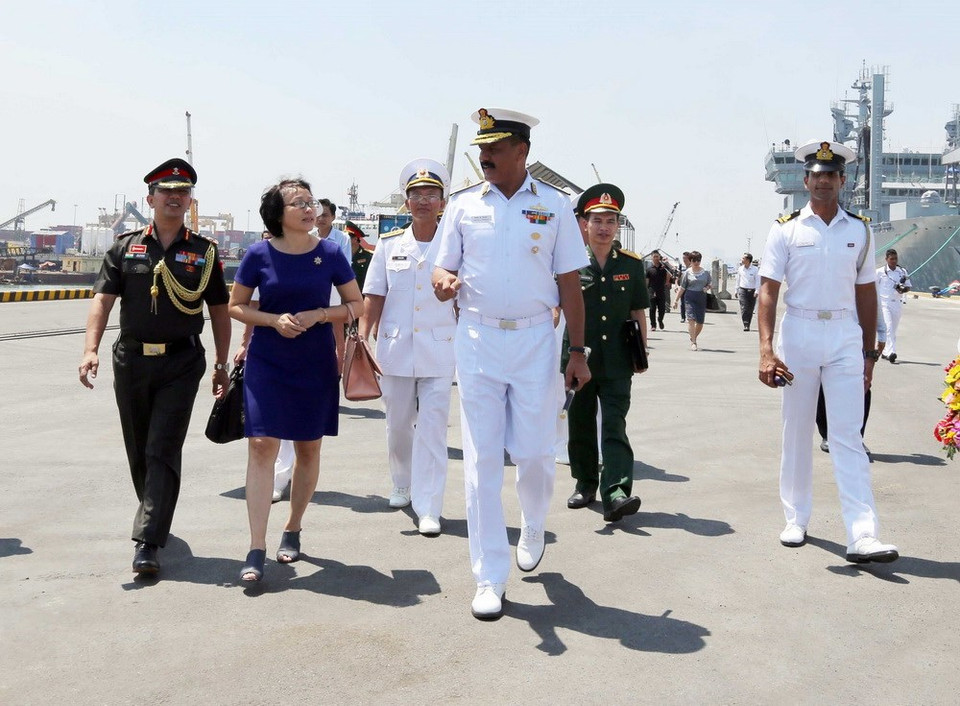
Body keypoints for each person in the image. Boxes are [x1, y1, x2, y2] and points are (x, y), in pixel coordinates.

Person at [432, 107, 590, 620]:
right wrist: (442, 282)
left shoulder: (556, 206)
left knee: (535, 453)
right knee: (479, 459)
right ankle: (489, 575)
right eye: (481, 149)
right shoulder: (462, 205)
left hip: (536, 342)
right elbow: (441, 267)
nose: (484, 157)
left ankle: (534, 521)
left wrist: (578, 352)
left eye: (494, 148)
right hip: (476, 338)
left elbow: (570, 283)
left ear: (522, 151)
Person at [78, 158, 231, 576]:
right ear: (150, 199)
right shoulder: (125, 247)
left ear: (189, 201)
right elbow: (102, 300)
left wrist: (221, 362)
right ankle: (155, 508)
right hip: (131, 360)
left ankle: (147, 541)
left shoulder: (203, 252)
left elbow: (219, 310)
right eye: (167, 192)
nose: (175, 198)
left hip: (182, 361)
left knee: (162, 446)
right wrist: (90, 349)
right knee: (139, 446)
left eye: (183, 193)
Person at [758, 138, 898, 564]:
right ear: (806, 181)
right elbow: (767, 292)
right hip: (798, 331)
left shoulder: (860, 229)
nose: (823, 183)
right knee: (796, 429)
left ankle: (862, 533)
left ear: (842, 181)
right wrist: (766, 350)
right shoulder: (785, 228)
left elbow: (866, 292)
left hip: (843, 335)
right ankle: (796, 518)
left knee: (847, 436)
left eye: (831, 176)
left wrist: (870, 353)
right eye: (816, 176)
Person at [229, 179, 363, 582]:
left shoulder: (331, 253)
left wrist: (320, 315)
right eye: (298, 203)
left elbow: (356, 304)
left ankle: (293, 526)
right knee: (261, 444)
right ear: (277, 214)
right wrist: (273, 320)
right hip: (268, 360)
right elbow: (235, 306)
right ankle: (256, 546)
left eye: (311, 202)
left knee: (307, 449)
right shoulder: (258, 254)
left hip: (315, 360)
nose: (309, 209)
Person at [360, 159, 457, 536]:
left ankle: (429, 505)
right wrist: (363, 337)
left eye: (431, 194)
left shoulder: (454, 244)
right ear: (407, 201)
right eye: (416, 194)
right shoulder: (388, 245)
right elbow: (375, 294)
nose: (423, 200)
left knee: (433, 428)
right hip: (395, 349)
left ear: (441, 201)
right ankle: (402, 482)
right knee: (398, 423)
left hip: (439, 348)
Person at [563, 184, 649, 522]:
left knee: (615, 424)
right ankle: (585, 484)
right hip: (577, 357)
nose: (604, 227)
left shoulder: (631, 264)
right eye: (597, 220)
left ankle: (615, 492)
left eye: (611, 221)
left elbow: (638, 312)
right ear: (584, 224)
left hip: (617, 360)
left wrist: (641, 354)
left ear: (618, 226)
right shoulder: (569, 263)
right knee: (580, 422)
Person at [818, 295, 887, 460]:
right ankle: (827, 434)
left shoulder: (865, 277)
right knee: (823, 387)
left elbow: (874, 305)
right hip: (828, 336)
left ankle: (856, 438)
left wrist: (882, 335)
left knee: (863, 386)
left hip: (859, 341)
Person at [877, 248, 912, 364]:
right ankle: (892, 352)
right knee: (889, 327)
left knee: (893, 329)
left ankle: (885, 351)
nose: (894, 261)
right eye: (891, 259)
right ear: (886, 259)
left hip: (897, 303)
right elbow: (873, 287)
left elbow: (908, 286)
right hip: (884, 303)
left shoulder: (902, 272)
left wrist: (902, 289)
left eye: (895, 259)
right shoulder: (880, 272)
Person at [673, 250, 710, 350]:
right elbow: (682, 287)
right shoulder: (687, 273)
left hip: (701, 297)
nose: (697, 262)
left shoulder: (705, 272)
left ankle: (692, 336)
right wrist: (676, 300)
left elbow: (709, 284)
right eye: (694, 260)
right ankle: (694, 342)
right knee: (691, 320)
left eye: (698, 260)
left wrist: (706, 288)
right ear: (691, 261)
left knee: (700, 322)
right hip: (689, 297)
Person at [645, 250, 672, 331]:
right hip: (652, 291)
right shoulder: (649, 269)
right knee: (652, 309)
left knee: (662, 308)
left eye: (657, 256)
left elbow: (670, 273)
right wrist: (645, 290)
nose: (656, 258)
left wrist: (667, 282)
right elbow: (647, 280)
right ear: (652, 258)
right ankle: (653, 325)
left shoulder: (664, 268)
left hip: (661, 290)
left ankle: (660, 320)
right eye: (654, 257)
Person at [736, 252, 760, 331]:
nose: (742, 260)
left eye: (743, 258)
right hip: (742, 290)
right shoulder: (740, 269)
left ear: (748, 260)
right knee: (744, 307)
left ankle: (748, 323)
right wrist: (736, 290)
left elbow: (757, 281)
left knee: (750, 309)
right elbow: (738, 280)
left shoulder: (755, 270)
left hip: (752, 291)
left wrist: (757, 291)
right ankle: (745, 324)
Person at [347, 221, 373, 291]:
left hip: (361, 295)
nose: (344, 239)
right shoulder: (341, 255)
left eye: (347, 237)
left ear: (355, 239)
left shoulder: (369, 257)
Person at [677, 251, 691, 323]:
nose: (684, 259)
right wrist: (677, 285)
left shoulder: (692, 266)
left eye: (685, 258)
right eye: (683, 258)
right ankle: (683, 317)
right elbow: (678, 276)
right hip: (682, 287)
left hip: (690, 287)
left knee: (689, 303)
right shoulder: (681, 266)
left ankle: (690, 316)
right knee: (682, 302)